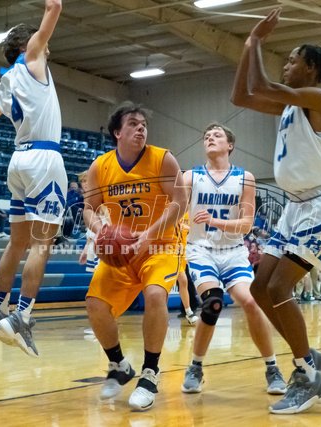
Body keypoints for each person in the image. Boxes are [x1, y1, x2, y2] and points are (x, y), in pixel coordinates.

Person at [231, 7, 321, 414]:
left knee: (280, 289)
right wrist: (249, 44)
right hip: (294, 207)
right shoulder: (289, 108)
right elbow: (241, 96)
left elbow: (260, 84)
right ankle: (308, 355)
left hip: (320, 204)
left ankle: (307, 375)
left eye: (293, 60)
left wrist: (257, 40)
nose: (287, 65)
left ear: (311, 68)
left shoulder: (318, 98)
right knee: (260, 288)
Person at [0, 0, 66, 358]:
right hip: (44, 159)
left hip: (18, 160)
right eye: (41, 40)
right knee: (42, 244)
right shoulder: (34, 58)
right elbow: (54, 6)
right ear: (28, 45)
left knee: (18, 242)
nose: (47, 45)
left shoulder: (6, 82)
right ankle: (22, 316)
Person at [83, 102, 188, 411]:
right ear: (117, 132)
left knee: (155, 294)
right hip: (123, 250)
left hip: (161, 245)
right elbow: (89, 209)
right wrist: (101, 231)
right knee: (95, 304)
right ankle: (118, 365)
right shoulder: (100, 166)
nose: (141, 128)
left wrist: (149, 235)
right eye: (133, 123)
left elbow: (180, 202)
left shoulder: (163, 159)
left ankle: (150, 373)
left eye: (144, 124)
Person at [180, 122, 286, 396]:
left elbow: (247, 224)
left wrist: (214, 221)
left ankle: (272, 367)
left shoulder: (245, 178)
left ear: (230, 145)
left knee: (251, 302)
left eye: (216, 135)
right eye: (206, 136)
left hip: (234, 251)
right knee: (212, 303)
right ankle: (195, 367)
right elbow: (177, 212)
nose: (210, 138)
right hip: (201, 250)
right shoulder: (191, 176)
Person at [177, 212, 198, 325]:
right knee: (182, 281)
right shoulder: (172, 211)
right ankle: (188, 312)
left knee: (184, 281)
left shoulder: (189, 214)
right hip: (168, 250)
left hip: (182, 252)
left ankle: (189, 312)